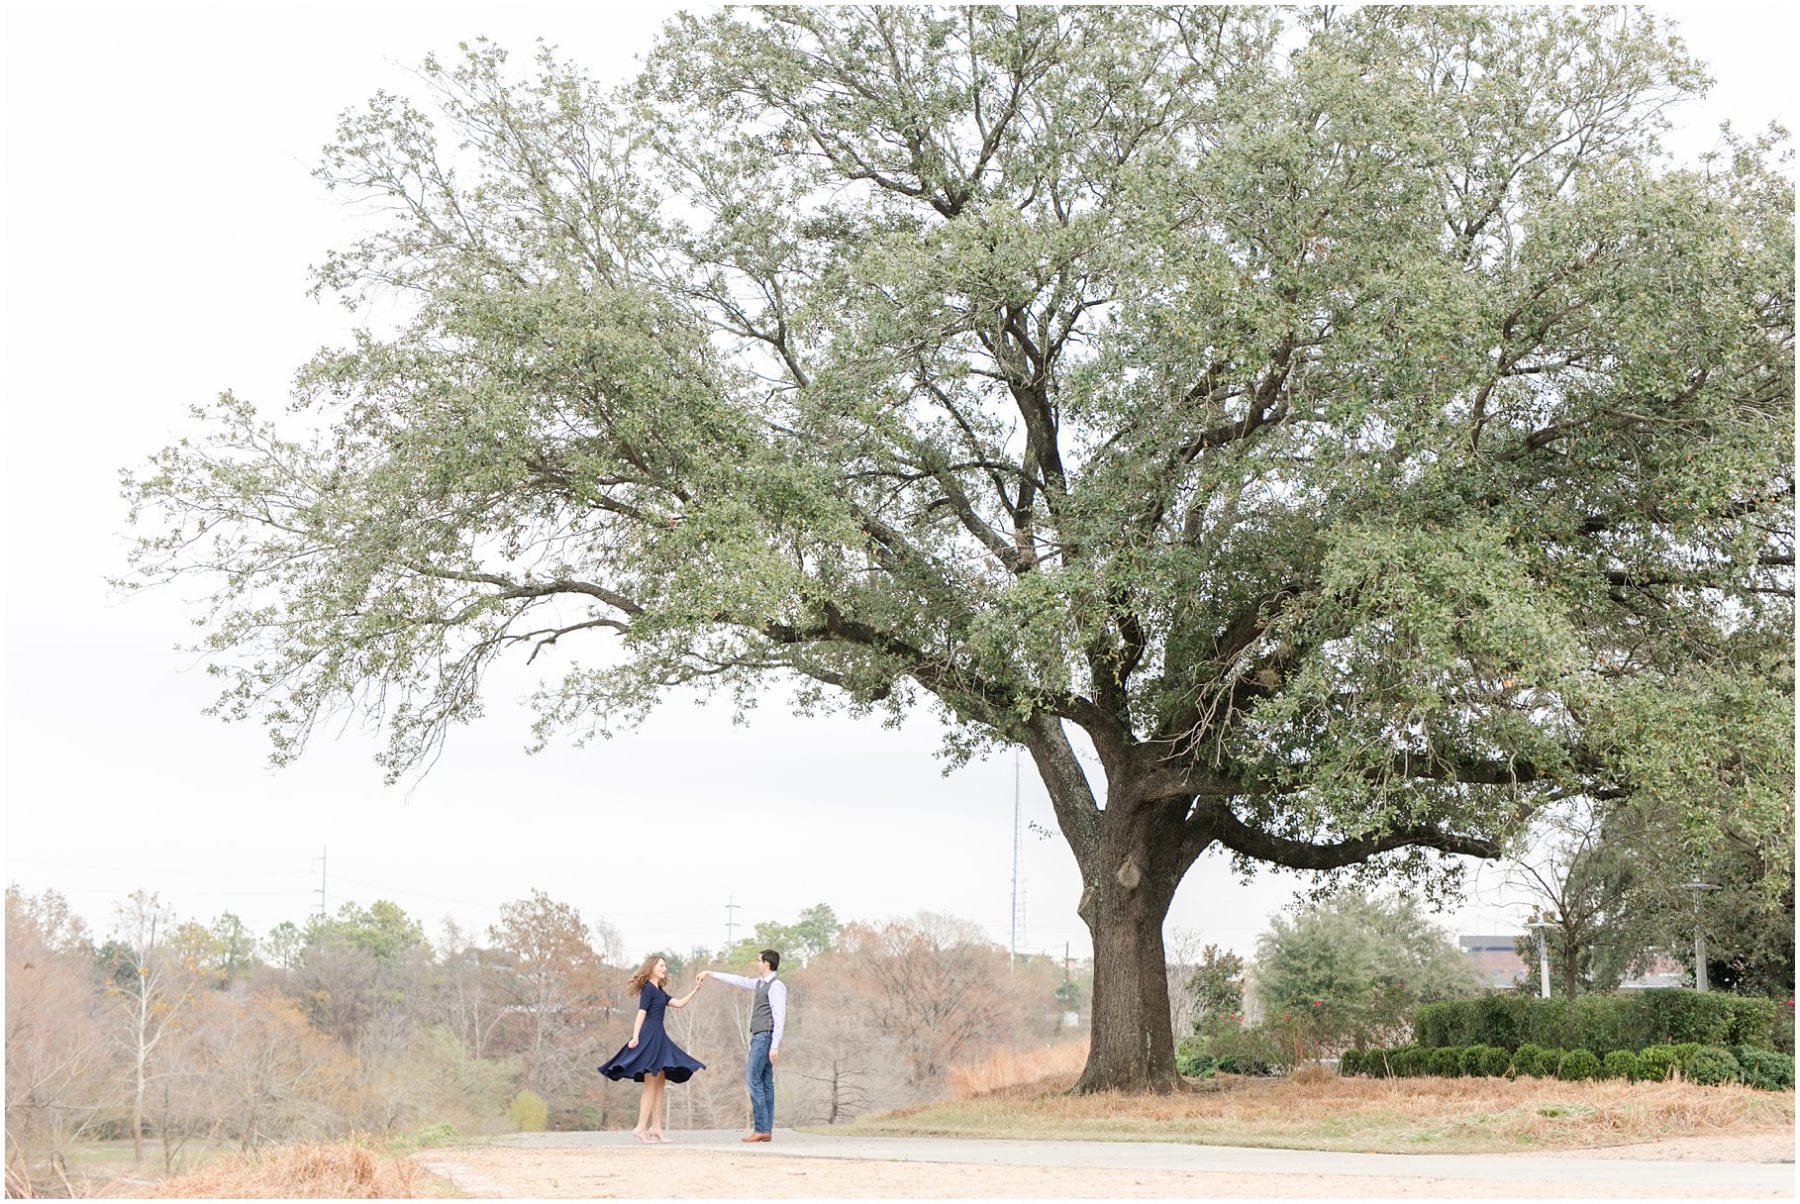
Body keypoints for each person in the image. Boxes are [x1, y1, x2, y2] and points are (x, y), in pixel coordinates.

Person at [596, 954, 706, 1143]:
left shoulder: (660, 991)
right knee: (651, 1083)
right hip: (649, 1036)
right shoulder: (648, 989)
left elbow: (678, 1004)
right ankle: (640, 1128)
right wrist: (636, 1036)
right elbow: (641, 1013)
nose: (665, 968)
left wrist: (695, 990)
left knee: (660, 1083)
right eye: (661, 965)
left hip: (659, 1036)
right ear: (652, 968)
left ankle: (656, 1128)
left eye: (665, 966)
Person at [697, 948, 785, 1142]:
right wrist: (711, 973)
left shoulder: (776, 986)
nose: (756, 963)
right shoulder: (760, 983)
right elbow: (738, 980)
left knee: (753, 1079)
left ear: (767, 964)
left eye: (758, 961)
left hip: (764, 1038)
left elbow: (779, 1017)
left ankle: (761, 1128)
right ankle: (766, 1130)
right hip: (761, 1037)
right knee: (765, 1082)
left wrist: (775, 1044)